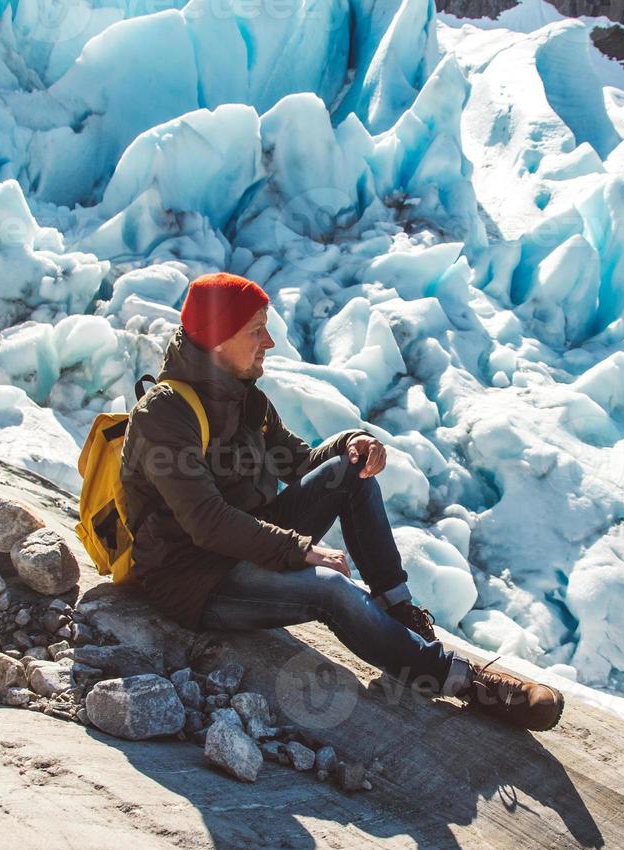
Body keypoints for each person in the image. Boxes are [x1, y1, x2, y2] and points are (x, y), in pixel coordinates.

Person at [119, 272, 563, 731]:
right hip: (193, 577)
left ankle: (397, 612)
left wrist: (352, 443)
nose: (269, 342)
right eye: (256, 330)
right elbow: (206, 522)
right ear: (217, 339)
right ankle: (462, 681)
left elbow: (301, 464)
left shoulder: (243, 397)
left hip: (244, 543)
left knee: (349, 475)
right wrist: (298, 550)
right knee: (329, 590)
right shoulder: (166, 412)